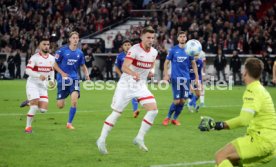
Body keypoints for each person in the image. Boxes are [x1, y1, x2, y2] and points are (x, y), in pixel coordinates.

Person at [198, 58, 276, 167]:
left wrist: (217, 125)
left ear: (245, 72)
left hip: (261, 140)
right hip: (270, 143)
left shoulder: (252, 91)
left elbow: (244, 120)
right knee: (228, 162)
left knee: (220, 156)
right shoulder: (260, 89)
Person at [96, 26, 158, 154]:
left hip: (140, 85)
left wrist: (151, 72)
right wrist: (133, 73)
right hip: (126, 84)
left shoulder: (154, 52)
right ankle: (101, 139)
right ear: (142, 37)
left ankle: (139, 138)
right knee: (117, 113)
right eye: (148, 37)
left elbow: (152, 65)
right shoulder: (134, 49)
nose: (150, 40)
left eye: (152, 38)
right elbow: (124, 67)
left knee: (153, 110)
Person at [54, 31, 90, 130]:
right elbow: (54, 64)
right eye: (73, 38)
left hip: (74, 79)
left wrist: (87, 75)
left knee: (74, 101)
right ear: (69, 39)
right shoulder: (62, 51)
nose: (75, 39)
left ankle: (69, 123)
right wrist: (61, 73)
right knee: (60, 106)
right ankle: (63, 98)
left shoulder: (80, 53)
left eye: (77, 38)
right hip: (62, 80)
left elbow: (83, 65)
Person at [162, 31, 199, 126]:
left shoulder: (190, 51)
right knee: (177, 100)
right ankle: (167, 117)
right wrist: (166, 75)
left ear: (186, 38)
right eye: (180, 36)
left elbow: (193, 64)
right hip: (176, 78)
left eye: (184, 36)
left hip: (186, 79)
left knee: (183, 101)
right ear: (178, 39)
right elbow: (166, 63)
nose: (182, 38)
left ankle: (175, 119)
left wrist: (196, 76)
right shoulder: (173, 50)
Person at [23, 37, 55, 133]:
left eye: (48, 45)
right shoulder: (35, 57)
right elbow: (27, 70)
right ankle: (28, 128)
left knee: (43, 110)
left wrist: (52, 80)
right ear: (39, 46)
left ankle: (29, 102)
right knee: (34, 107)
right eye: (44, 44)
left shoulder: (52, 58)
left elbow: (51, 71)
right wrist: (38, 75)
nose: (46, 46)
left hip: (43, 86)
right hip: (33, 84)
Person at [114, 39, 140, 118]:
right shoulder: (120, 56)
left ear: (131, 46)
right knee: (122, 94)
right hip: (124, 78)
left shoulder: (135, 55)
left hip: (133, 77)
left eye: (129, 44)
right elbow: (116, 68)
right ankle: (117, 109)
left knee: (134, 93)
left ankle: (135, 110)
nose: (127, 46)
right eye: (125, 45)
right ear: (122, 47)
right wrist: (121, 75)